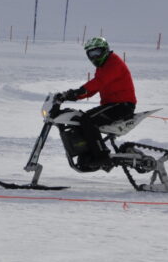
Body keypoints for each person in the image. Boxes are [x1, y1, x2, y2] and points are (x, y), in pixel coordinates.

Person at [57, 37, 137, 169]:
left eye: (97, 52)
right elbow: (93, 89)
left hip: (122, 105)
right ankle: (88, 155)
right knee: (79, 120)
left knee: (86, 119)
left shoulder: (113, 63)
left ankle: (101, 156)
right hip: (111, 105)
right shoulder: (103, 67)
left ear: (105, 50)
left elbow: (99, 82)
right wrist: (71, 96)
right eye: (91, 54)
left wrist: (78, 91)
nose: (94, 57)